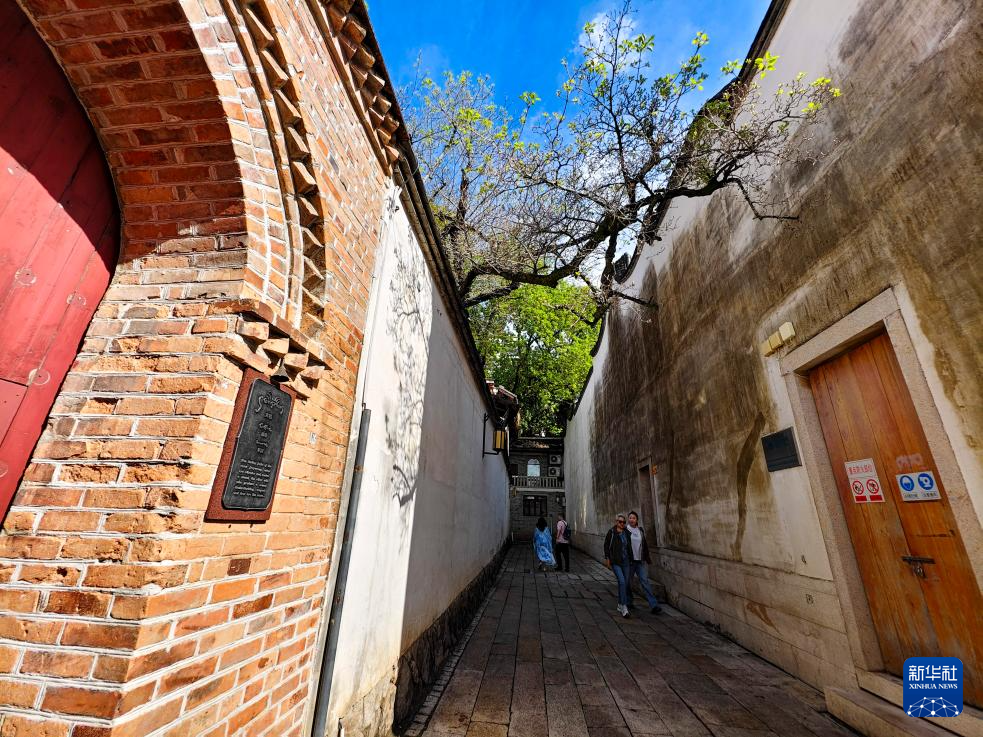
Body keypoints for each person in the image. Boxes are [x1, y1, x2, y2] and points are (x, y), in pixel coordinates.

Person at [625, 511, 663, 614]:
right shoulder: (625, 530)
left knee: (645, 581)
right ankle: (629, 601)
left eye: (634, 518)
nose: (631, 519)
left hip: (640, 561)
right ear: (628, 519)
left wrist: (647, 558)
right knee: (628, 582)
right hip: (630, 562)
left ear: (637, 520)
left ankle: (654, 605)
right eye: (630, 518)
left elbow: (644, 545)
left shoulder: (640, 530)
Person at [603, 513, 632, 617]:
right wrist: (607, 558)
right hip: (615, 561)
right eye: (620, 522)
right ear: (616, 522)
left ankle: (620, 604)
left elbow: (629, 547)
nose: (622, 524)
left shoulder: (627, 533)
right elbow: (606, 545)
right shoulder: (611, 532)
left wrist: (631, 558)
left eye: (624, 522)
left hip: (626, 562)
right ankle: (624, 606)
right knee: (622, 581)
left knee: (624, 583)